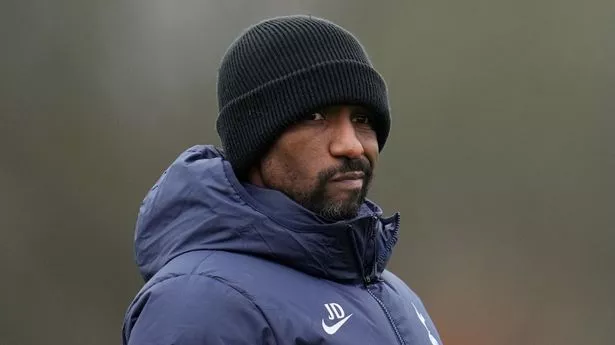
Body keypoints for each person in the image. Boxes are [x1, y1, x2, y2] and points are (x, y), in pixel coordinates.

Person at [122, 15, 443, 345]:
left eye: (362, 119)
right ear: (256, 142)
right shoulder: (201, 304)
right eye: (315, 117)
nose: (351, 144)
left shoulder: (395, 296)